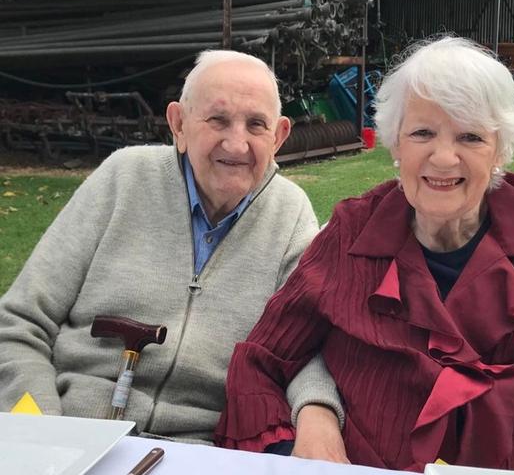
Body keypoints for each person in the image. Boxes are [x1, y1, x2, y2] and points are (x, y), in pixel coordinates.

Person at [215, 37, 514, 474]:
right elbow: (262, 361)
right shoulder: (352, 234)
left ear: (500, 151)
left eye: (471, 136)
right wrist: (294, 457)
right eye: (423, 133)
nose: (443, 158)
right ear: (396, 145)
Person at [0, 50, 346, 448]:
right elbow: (19, 324)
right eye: (218, 119)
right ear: (178, 124)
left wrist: (318, 414)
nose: (236, 144)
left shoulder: (290, 214)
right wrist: (40, 431)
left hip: (201, 451)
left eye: (256, 125)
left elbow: (303, 348)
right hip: (72, 430)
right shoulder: (123, 179)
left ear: (279, 136)